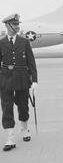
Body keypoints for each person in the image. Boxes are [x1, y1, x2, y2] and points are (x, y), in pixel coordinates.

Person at [0, 14, 38, 152]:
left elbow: (31, 62)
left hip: (22, 79)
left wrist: (34, 81)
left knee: (23, 106)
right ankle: (10, 138)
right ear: (8, 25)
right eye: (14, 24)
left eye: (17, 24)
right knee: (7, 108)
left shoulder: (24, 42)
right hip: (5, 80)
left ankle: (24, 128)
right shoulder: (1, 42)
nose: (17, 27)